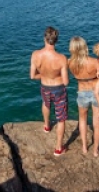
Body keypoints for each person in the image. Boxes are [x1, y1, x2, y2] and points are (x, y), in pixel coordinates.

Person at [30, 26, 69, 156]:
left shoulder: (35, 55)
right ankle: (58, 148)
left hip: (44, 86)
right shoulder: (62, 58)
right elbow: (66, 81)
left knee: (46, 104)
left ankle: (46, 126)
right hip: (58, 88)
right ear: (56, 40)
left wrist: (44, 75)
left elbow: (32, 76)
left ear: (44, 38)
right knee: (61, 118)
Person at [68, 36, 99, 157]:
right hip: (95, 92)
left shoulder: (70, 63)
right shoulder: (94, 62)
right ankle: (95, 150)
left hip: (82, 93)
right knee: (97, 123)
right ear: (85, 47)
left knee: (82, 120)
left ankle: (84, 147)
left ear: (72, 49)